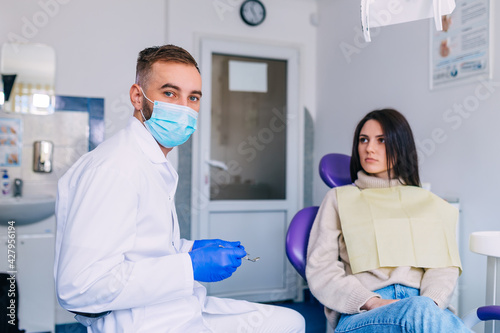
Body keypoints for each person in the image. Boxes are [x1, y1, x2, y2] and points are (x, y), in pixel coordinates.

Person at [54, 44, 305, 333]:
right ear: (138, 97)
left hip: (173, 307)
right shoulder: (115, 169)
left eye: (193, 97)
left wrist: (189, 248)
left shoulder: (150, 162)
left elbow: (138, 248)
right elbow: (79, 287)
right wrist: (190, 265)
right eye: (170, 93)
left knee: (291, 321)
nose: (184, 108)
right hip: (140, 323)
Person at [306, 109, 471, 332]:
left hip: (423, 306)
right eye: (363, 140)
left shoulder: (427, 202)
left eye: (381, 140)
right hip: (363, 311)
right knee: (421, 312)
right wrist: (371, 301)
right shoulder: (338, 199)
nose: (369, 148)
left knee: (420, 311)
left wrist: (430, 304)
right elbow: (321, 268)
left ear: (400, 145)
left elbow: (442, 269)